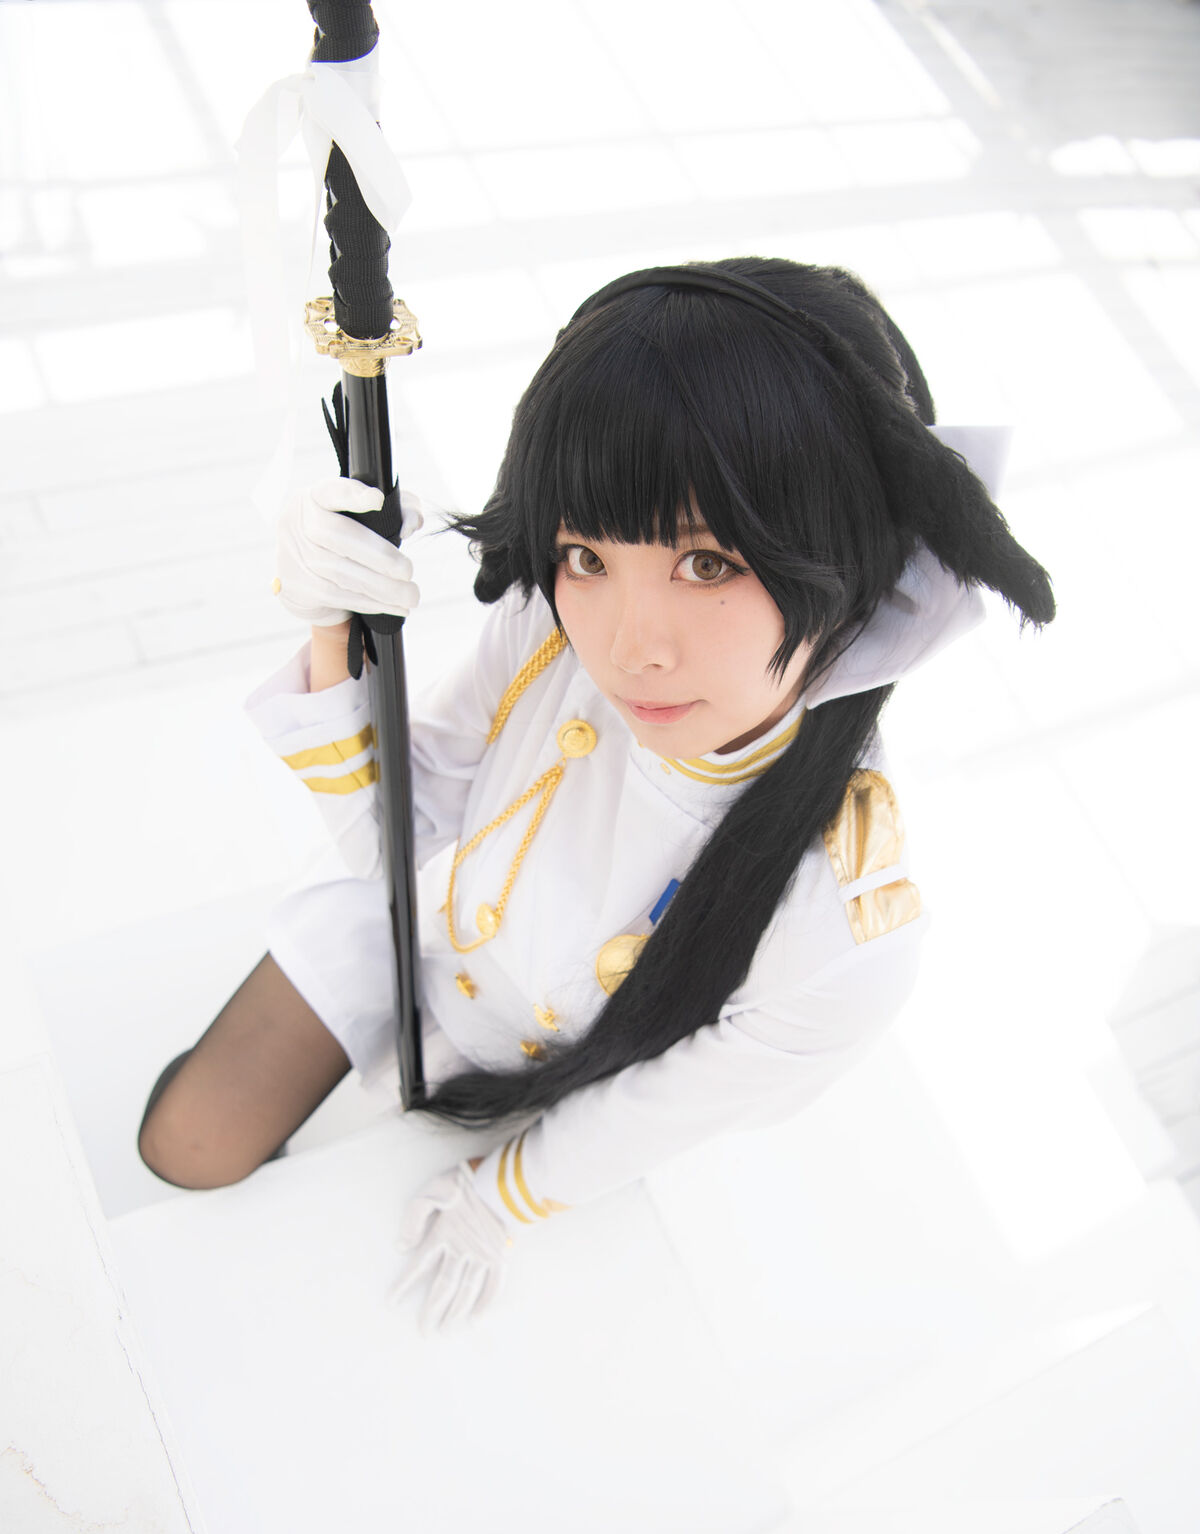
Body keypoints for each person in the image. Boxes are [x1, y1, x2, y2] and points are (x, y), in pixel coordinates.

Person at [138, 256, 1053, 1330]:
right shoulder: (548, 628)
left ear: (855, 562)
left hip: (539, 1082)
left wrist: (498, 1199)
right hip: (415, 946)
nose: (629, 647)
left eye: (708, 564)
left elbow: (649, 1109)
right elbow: (400, 834)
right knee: (186, 1149)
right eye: (587, 552)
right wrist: (332, 623)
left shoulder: (842, 935)